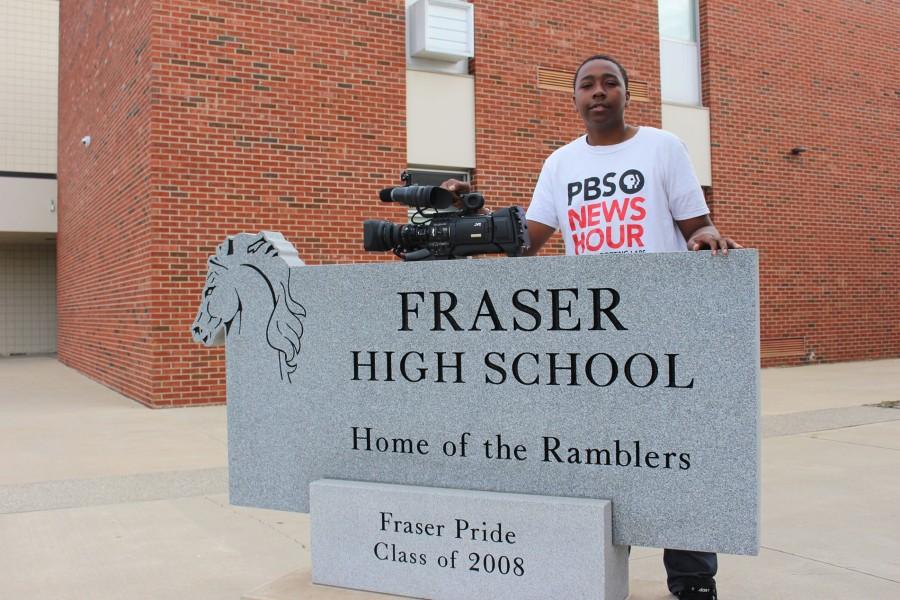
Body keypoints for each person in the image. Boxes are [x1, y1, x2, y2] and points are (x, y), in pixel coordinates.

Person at [443, 54, 740, 600]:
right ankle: (595, 569)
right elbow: (525, 243)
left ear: (629, 93)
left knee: (676, 452)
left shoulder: (662, 147)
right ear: (575, 97)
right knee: (601, 457)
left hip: (659, 324)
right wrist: (465, 216)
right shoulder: (560, 163)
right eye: (587, 85)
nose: (598, 92)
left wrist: (707, 237)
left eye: (610, 83)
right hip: (592, 332)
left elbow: (698, 225)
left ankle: (693, 579)